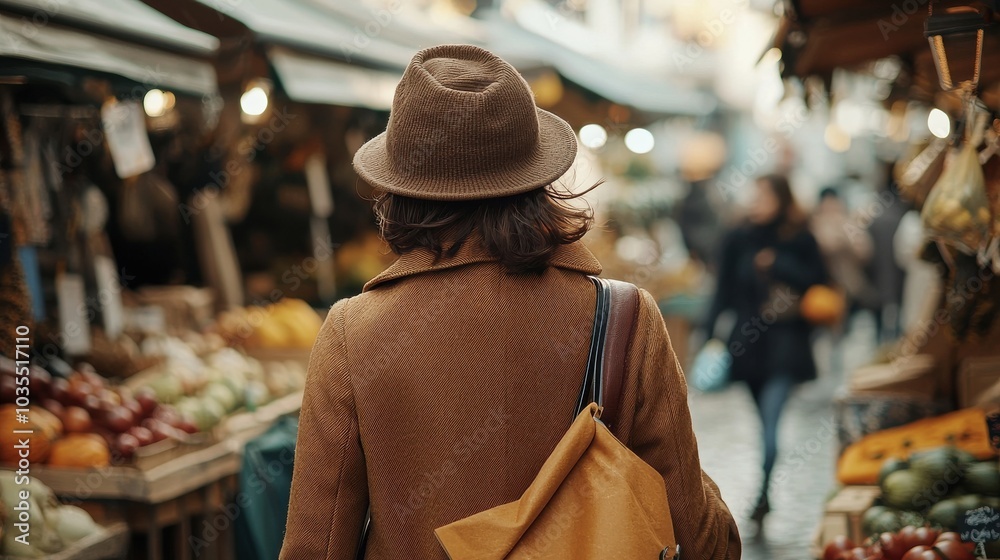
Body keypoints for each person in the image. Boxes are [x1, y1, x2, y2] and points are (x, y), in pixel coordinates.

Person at [280, 45, 740, 560]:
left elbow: (315, 548)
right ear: (538, 178)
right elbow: (698, 540)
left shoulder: (354, 331)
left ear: (400, 190)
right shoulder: (625, 319)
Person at [704, 174, 827, 530]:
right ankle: (766, 484)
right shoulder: (736, 238)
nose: (755, 202)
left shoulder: (800, 238)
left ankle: (763, 490)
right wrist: (710, 335)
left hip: (786, 347)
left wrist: (777, 264)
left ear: (782, 200)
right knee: (762, 422)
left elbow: (818, 281)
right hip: (747, 347)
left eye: (764, 196)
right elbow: (722, 292)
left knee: (771, 421)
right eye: (753, 195)